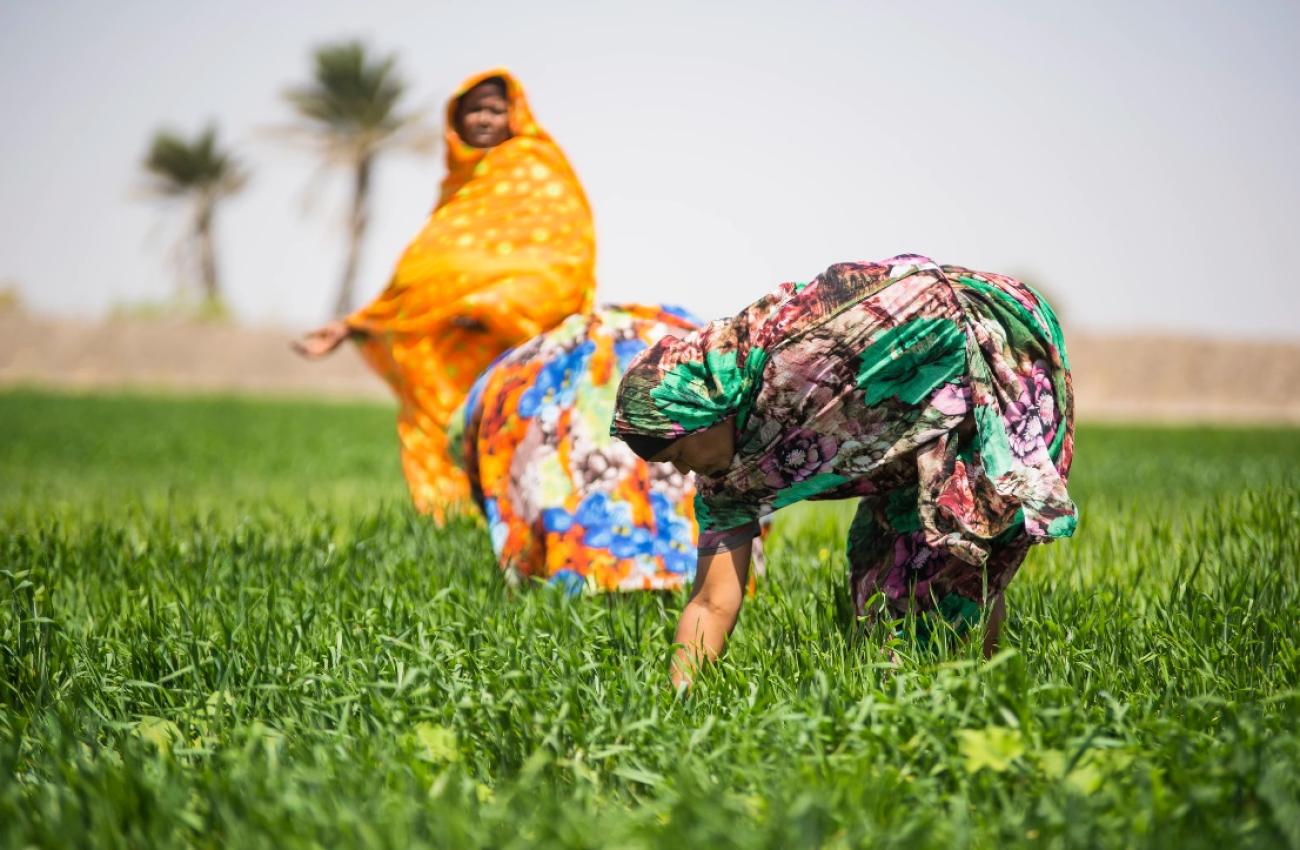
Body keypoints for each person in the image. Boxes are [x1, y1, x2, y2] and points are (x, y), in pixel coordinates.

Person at [610, 254, 1077, 687]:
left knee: (947, 568)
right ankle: (963, 696)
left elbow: (921, 294)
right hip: (910, 438)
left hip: (995, 357)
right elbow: (711, 601)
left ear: (703, 412)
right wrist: (679, 706)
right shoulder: (724, 482)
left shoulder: (799, 353)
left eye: (677, 453)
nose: (682, 469)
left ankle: (982, 696)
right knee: (881, 573)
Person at [295, 69, 596, 519]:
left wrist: (493, 303)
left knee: (519, 443)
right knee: (447, 439)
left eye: (495, 109)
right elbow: (425, 272)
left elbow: (563, 259)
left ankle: (520, 536)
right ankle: (451, 527)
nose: (484, 119)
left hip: (516, 346)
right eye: (473, 110)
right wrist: (355, 323)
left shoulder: (539, 169)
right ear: (455, 120)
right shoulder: (457, 188)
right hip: (451, 350)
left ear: (515, 115)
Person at [449, 304, 709, 592]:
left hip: (567, 537)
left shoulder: (517, 368)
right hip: (696, 565)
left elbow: (463, 434)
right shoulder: (679, 341)